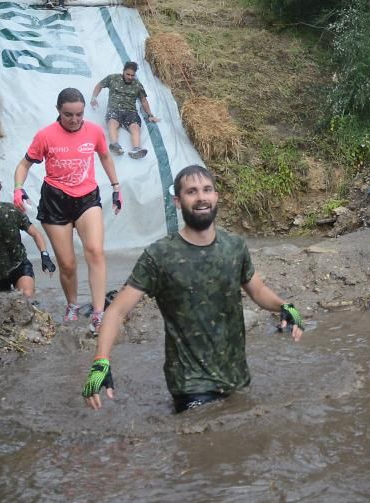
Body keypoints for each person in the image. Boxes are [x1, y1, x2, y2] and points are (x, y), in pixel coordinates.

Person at [82, 165, 306, 413]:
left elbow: (258, 290)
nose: (201, 197)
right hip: (190, 384)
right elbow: (117, 311)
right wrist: (101, 361)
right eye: (191, 192)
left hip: (236, 376)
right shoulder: (159, 255)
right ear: (178, 201)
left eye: (207, 190)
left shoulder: (234, 247)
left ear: (216, 196)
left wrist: (285, 306)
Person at [13, 88, 122, 333]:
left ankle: (98, 312)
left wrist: (116, 186)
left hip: (86, 198)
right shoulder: (45, 136)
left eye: (79, 114)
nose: (74, 120)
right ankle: (72, 305)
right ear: (58, 111)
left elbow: (105, 157)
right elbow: (23, 164)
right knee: (68, 263)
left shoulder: (93, 131)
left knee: (95, 251)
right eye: (68, 114)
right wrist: (18, 188)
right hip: (55, 201)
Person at [89, 61, 160, 159]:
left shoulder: (137, 85)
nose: (130, 77)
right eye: (128, 74)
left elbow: (143, 101)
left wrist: (150, 115)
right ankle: (115, 145)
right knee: (112, 122)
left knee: (135, 127)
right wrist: (94, 98)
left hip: (130, 111)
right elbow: (99, 86)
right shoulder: (113, 78)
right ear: (123, 71)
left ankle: (136, 149)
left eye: (132, 75)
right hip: (114, 109)